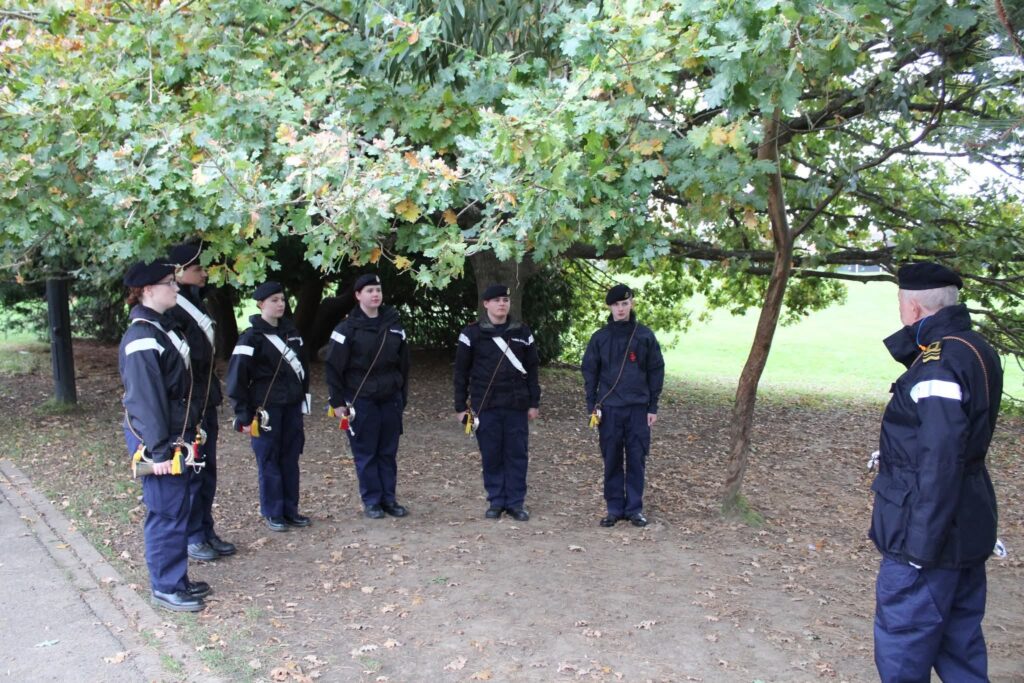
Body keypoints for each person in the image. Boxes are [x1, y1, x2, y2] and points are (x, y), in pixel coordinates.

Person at [870, 262, 1003, 682]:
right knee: (958, 645)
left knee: (903, 648)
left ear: (912, 308)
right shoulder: (976, 348)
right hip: (965, 522)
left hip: (929, 537)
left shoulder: (940, 363)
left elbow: (940, 460)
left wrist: (919, 552)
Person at [119, 259, 210, 612]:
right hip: (160, 440)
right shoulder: (141, 336)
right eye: (169, 284)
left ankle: (178, 579)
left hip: (176, 434)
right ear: (146, 291)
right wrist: (158, 452)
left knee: (179, 507)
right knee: (165, 512)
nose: (176, 288)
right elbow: (146, 401)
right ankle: (165, 585)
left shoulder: (163, 328)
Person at [166, 242, 236, 562]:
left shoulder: (197, 303)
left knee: (207, 470)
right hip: (189, 406)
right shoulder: (174, 309)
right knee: (193, 470)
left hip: (206, 400)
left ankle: (205, 529)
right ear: (179, 273)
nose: (205, 272)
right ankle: (193, 536)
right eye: (198, 268)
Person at [226, 282, 311, 532]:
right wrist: (243, 413)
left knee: (290, 457)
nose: (280, 304)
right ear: (261, 304)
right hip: (265, 410)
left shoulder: (293, 334)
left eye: (283, 299)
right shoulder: (251, 337)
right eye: (274, 300)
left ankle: (290, 509)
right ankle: (273, 511)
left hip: (291, 407)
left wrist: (303, 400)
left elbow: (304, 370)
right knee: (269, 459)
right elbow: (237, 377)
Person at [325, 274, 410, 519]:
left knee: (387, 452)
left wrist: (401, 396)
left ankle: (389, 500)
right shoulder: (345, 329)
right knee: (366, 452)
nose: (375, 294)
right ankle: (372, 501)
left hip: (389, 397)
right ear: (358, 296)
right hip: (361, 399)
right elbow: (333, 368)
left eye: (378, 290)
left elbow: (404, 365)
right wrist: (338, 402)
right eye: (370, 290)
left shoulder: (394, 325)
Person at [454, 284, 541, 521]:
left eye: (505, 300)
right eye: (497, 300)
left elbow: (532, 370)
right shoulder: (471, 333)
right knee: (491, 454)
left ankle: (515, 503)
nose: (502, 304)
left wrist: (534, 402)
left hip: (516, 403)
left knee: (516, 454)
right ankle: (496, 500)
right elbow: (461, 372)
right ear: (486, 304)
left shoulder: (522, 332)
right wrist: (461, 407)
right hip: (485, 405)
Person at [581, 284, 665, 528]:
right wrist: (591, 406)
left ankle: (635, 509)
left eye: (625, 304)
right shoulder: (600, 338)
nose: (620, 309)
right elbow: (590, 372)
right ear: (610, 307)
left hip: (638, 408)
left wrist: (653, 407)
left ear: (632, 305)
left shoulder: (645, 336)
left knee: (637, 458)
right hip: (609, 410)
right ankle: (614, 508)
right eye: (616, 305)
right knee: (612, 459)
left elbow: (655, 370)